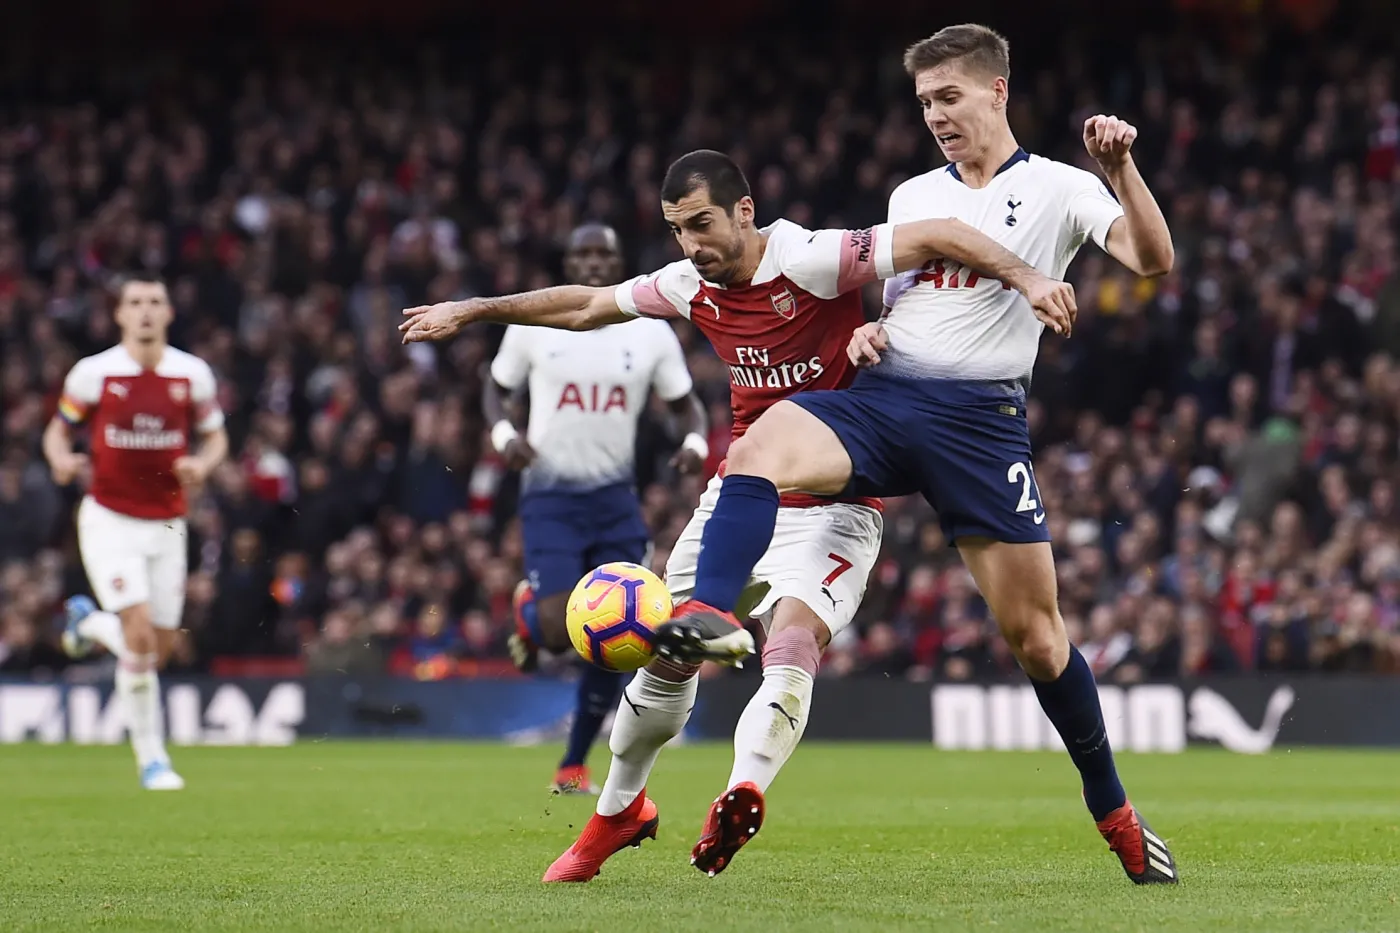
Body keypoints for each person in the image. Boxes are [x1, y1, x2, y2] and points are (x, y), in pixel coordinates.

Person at [402, 148, 1074, 882]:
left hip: (835, 501)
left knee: (792, 639)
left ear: (744, 211)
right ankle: (619, 811)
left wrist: (1031, 276)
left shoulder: (811, 258)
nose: (690, 245)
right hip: (739, 498)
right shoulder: (690, 286)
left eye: (701, 224)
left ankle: (742, 787)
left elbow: (939, 231)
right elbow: (587, 306)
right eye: (677, 230)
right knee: (666, 649)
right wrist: (474, 310)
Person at [666, 25, 1180, 885]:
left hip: (980, 427)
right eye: (924, 103)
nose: (935, 116)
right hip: (888, 401)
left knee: (1039, 640)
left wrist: (1119, 169)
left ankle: (1116, 810)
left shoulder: (1058, 187)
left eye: (948, 98)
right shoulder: (910, 196)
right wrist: (871, 330)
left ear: (997, 92)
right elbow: (902, 301)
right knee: (757, 446)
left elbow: (1152, 259)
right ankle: (716, 612)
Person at [489, 222, 708, 794]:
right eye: (581, 253)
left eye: (601, 254)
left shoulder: (650, 331)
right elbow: (497, 389)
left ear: (617, 262)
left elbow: (687, 407)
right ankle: (529, 615)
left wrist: (694, 444)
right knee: (561, 632)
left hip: (615, 500)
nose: (590, 263)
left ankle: (573, 760)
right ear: (568, 261)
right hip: (550, 496)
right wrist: (503, 435)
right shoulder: (533, 323)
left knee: (621, 638)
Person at [43, 273, 228, 790]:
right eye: (135, 303)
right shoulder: (94, 374)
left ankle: (88, 627)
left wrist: (203, 465)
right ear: (119, 314)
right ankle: (153, 760)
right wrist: (61, 459)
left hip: (167, 522)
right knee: (140, 633)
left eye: (155, 302)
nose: (145, 311)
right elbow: (58, 428)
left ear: (169, 313)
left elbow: (216, 439)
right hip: (109, 516)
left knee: (155, 650)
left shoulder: (191, 375)